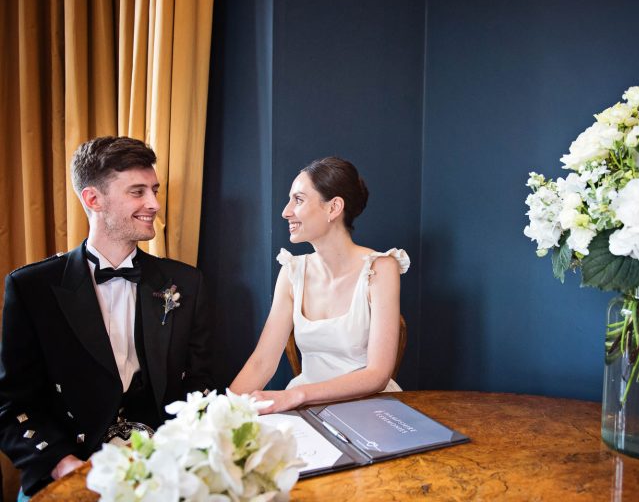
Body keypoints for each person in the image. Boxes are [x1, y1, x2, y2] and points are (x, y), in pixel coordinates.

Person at [0, 136, 213, 498]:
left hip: (164, 469)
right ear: (93, 199)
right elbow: (13, 404)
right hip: (70, 464)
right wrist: (65, 465)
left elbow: (200, 384)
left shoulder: (185, 282)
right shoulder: (32, 287)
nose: (154, 204)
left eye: (154, 190)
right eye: (138, 192)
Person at [230, 157, 409, 414]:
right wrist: (219, 419)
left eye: (298, 200)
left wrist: (296, 395)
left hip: (369, 408)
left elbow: (377, 374)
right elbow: (262, 363)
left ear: (333, 208)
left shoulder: (381, 268)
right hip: (307, 407)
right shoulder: (292, 272)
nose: (286, 211)